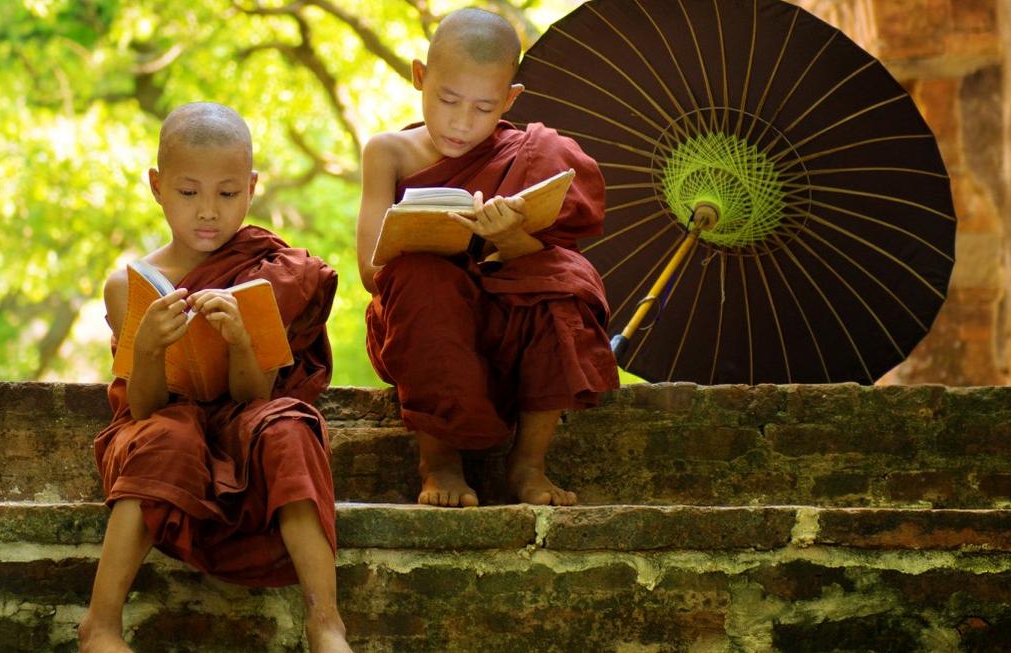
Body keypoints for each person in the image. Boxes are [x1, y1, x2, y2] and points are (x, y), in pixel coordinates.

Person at [81, 102, 349, 653]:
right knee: (171, 433)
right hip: (162, 426)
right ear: (156, 186)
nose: (208, 211)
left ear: (251, 189)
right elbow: (145, 406)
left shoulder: (267, 275)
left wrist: (242, 341)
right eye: (188, 192)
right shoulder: (129, 285)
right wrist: (150, 348)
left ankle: (326, 623)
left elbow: (256, 396)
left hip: (242, 419)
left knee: (290, 428)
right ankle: (101, 626)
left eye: (227, 194)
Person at [355, 8, 616, 508]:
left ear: (510, 99)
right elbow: (372, 272)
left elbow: (551, 254)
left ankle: (528, 464)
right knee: (419, 278)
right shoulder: (387, 152)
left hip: (504, 318)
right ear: (420, 77)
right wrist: (430, 238)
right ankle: (440, 463)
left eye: (483, 107)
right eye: (447, 99)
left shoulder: (531, 153)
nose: (461, 121)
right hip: (425, 317)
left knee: (563, 280)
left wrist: (511, 236)